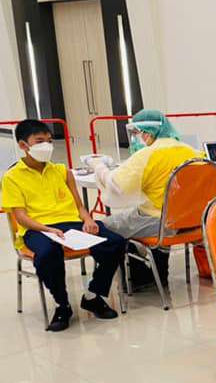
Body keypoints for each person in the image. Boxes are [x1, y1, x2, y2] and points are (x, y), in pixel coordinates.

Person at [1, 119, 125, 331]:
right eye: (40, 141)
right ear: (23, 145)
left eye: (49, 141)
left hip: (72, 224)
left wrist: (87, 219)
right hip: (38, 228)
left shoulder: (62, 171)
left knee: (115, 242)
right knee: (48, 253)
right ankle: (62, 305)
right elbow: (20, 216)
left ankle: (92, 295)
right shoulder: (11, 177)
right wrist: (47, 229)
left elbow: (79, 206)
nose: (47, 146)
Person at [89, 109, 200, 290]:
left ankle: (139, 276)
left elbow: (117, 187)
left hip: (159, 222)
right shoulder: (193, 151)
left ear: (147, 133)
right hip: (192, 222)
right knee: (135, 215)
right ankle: (159, 273)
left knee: (102, 226)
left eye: (136, 133)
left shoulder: (147, 155)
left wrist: (99, 166)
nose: (135, 138)